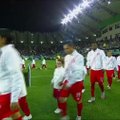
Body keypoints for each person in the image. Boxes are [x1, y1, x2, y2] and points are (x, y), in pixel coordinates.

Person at [0, 29, 24, 120]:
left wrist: (14, 99)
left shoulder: (9, 52)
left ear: (3, 39)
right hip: (5, 91)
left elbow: (16, 75)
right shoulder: (4, 51)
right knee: (15, 115)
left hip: (7, 93)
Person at [59, 42, 86, 120]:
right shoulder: (66, 57)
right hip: (67, 81)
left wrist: (69, 84)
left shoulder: (79, 57)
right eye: (64, 49)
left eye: (66, 48)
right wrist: (63, 79)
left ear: (72, 47)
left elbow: (78, 72)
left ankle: (79, 115)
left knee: (78, 100)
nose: (65, 50)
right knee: (62, 98)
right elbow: (66, 70)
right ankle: (64, 116)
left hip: (76, 82)